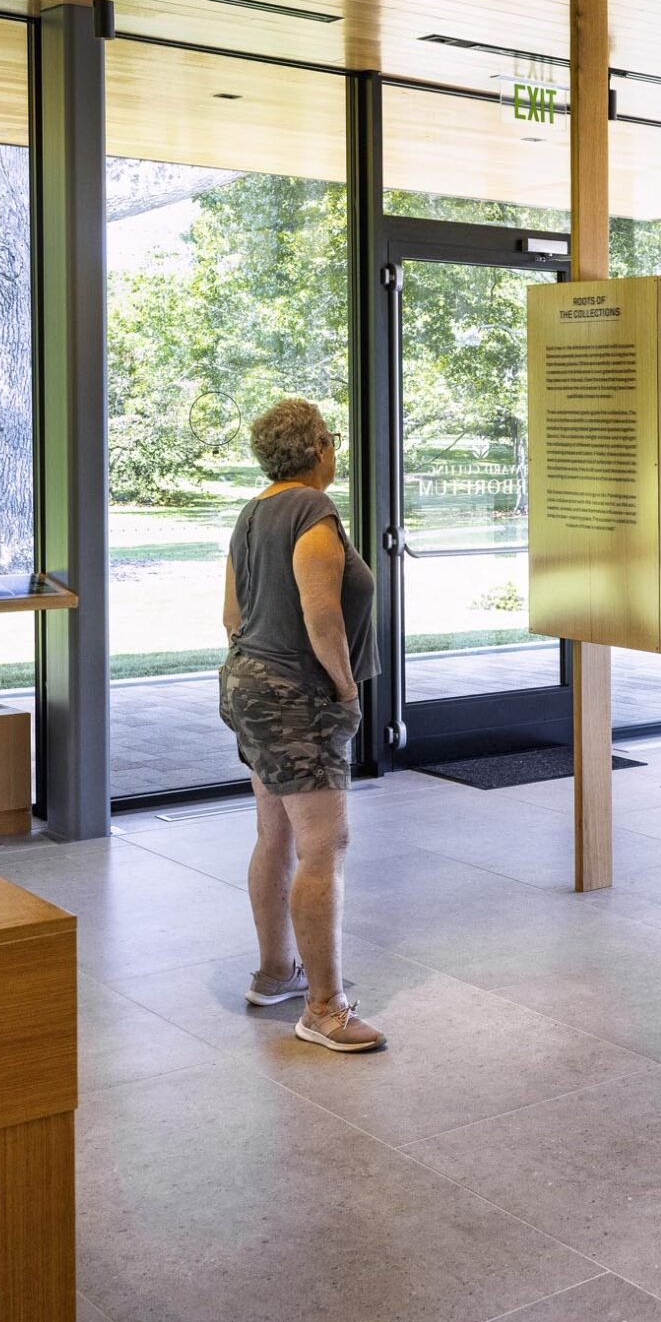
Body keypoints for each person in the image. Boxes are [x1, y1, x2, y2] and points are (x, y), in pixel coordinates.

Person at [217, 398, 385, 1053]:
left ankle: (276, 972)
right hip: (296, 698)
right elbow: (323, 618)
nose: (333, 448)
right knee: (326, 843)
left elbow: (231, 615)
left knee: (275, 831)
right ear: (318, 446)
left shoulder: (252, 512)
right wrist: (343, 686)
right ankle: (323, 1007)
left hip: (248, 684)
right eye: (331, 438)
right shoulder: (315, 513)